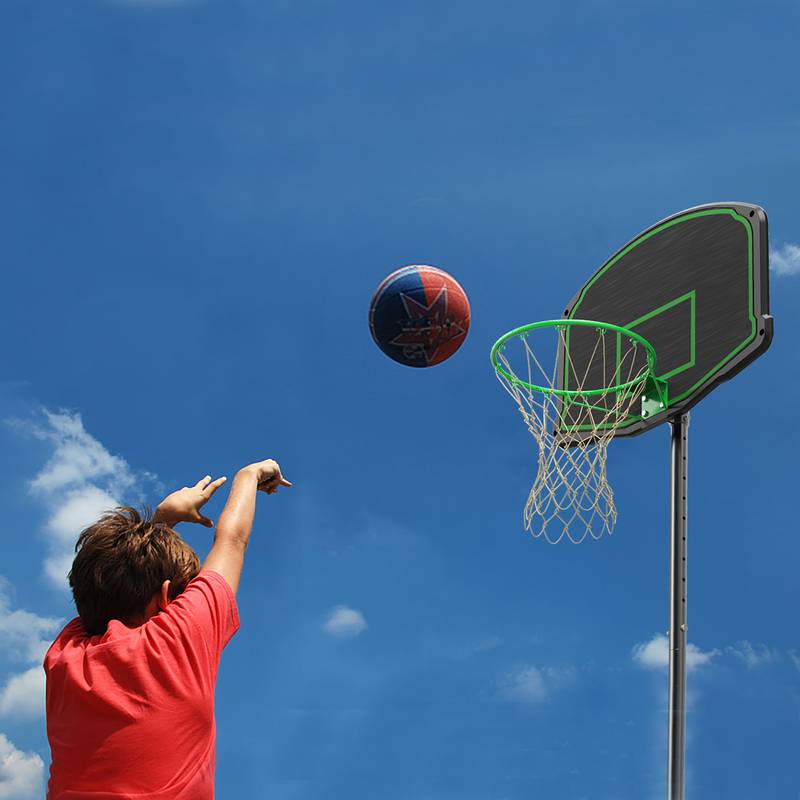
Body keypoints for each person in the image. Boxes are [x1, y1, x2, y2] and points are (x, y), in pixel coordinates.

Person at [44, 458, 292, 799]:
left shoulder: (62, 657)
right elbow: (231, 541)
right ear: (165, 597)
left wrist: (163, 521)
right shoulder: (176, 642)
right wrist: (248, 476)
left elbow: (110, 577)